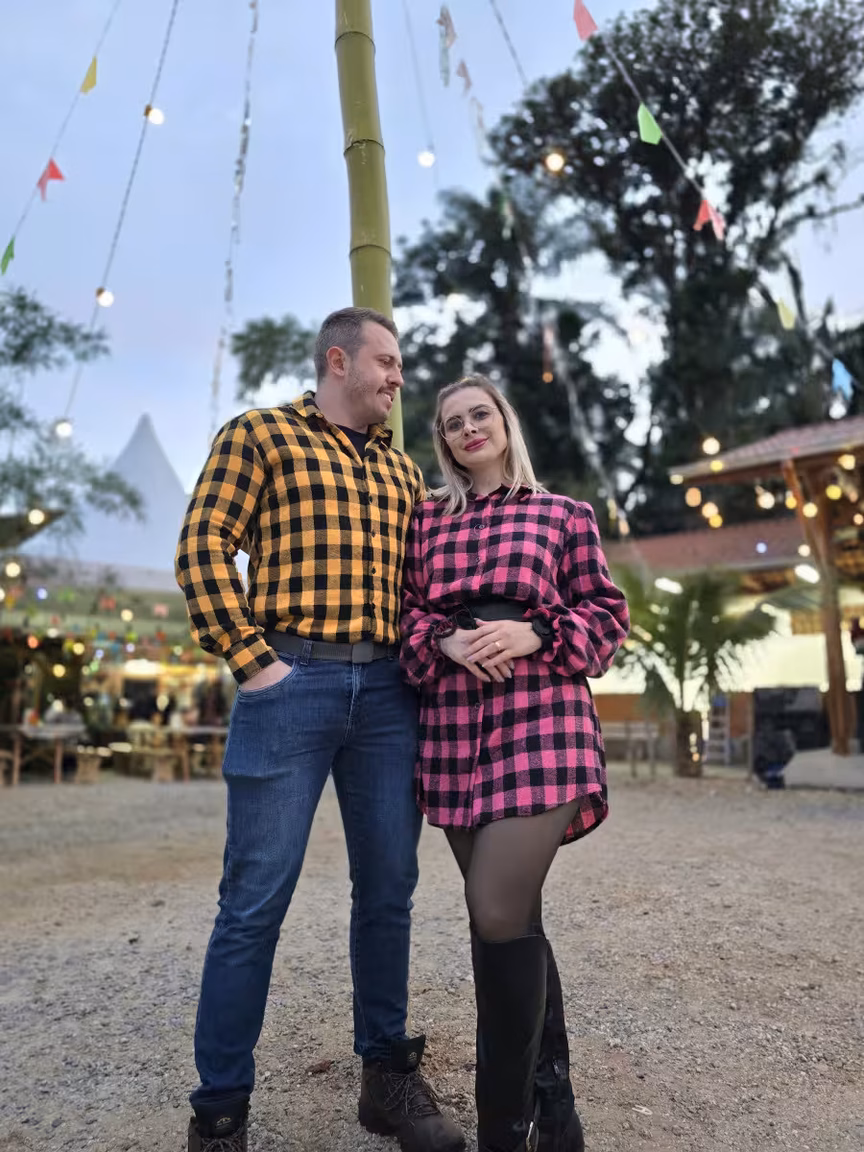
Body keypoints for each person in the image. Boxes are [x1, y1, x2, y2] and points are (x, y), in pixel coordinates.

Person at [175, 307, 464, 1152]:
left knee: (389, 888)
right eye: (387, 361)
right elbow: (203, 545)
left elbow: (424, 588)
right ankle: (220, 1110)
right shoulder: (259, 436)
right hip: (289, 678)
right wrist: (254, 661)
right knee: (253, 900)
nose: (398, 377)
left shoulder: (404, 473)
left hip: (389, 693)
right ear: (339, 360)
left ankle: (386, 1077)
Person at [400, 376, 629, 1152]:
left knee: (496, 912)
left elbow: (607, 616)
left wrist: (537, 632)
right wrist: (443, 639)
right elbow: (405, 614)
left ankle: (505, 1127)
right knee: (511, 919)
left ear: (504, 423)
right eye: (452, 422)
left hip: (543, 726)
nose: (469, 428)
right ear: (442, 440)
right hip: (454, 732)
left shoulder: (564, 515)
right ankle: (553, 1105)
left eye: (480, 414)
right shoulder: (426, 522)